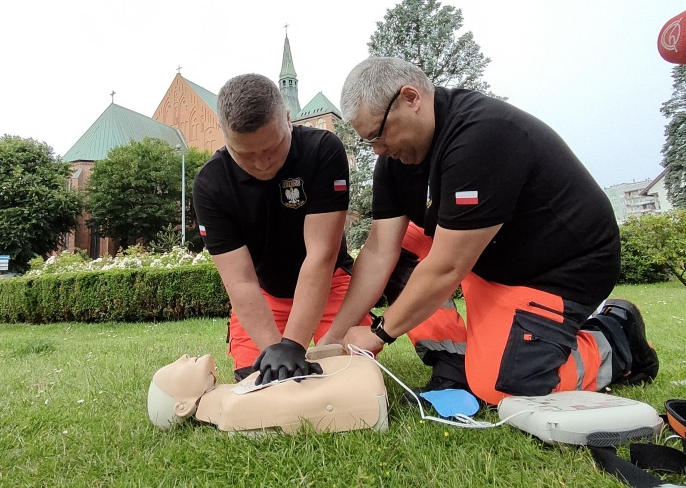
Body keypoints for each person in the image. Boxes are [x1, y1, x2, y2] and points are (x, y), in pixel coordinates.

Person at [320, 57, 658, 406]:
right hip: (488, 258)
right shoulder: (394, 162)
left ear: (411, 98)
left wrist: (380, 333)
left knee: (504, 386)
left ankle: (617, 339)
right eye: (368, 141)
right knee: (402, 246)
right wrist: (333, 336)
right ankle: (453, 363)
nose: (378, 149)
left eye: (379, 134)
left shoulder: (481, 136)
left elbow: (448, 267)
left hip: (560, 271)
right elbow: (378, 253)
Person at [192, 73, 372, 384]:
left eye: (273, 147)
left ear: (288, 120)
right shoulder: (211, 184)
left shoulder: (323, 151)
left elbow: (321, 254)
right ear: (224, 136)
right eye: (246, 154)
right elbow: (241, 282)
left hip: (330, 283)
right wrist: (276, 350)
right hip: (265, 294)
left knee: (348, 374)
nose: (262, 163)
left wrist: (293, 344)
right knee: (258, 380)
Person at [147, 346, 388, 433]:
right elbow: (297, 407)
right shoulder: (232, 410)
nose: (183, 357)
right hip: (361, 387)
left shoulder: (234, 393)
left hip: (353, 371)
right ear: (183, 406)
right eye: (174, 369)